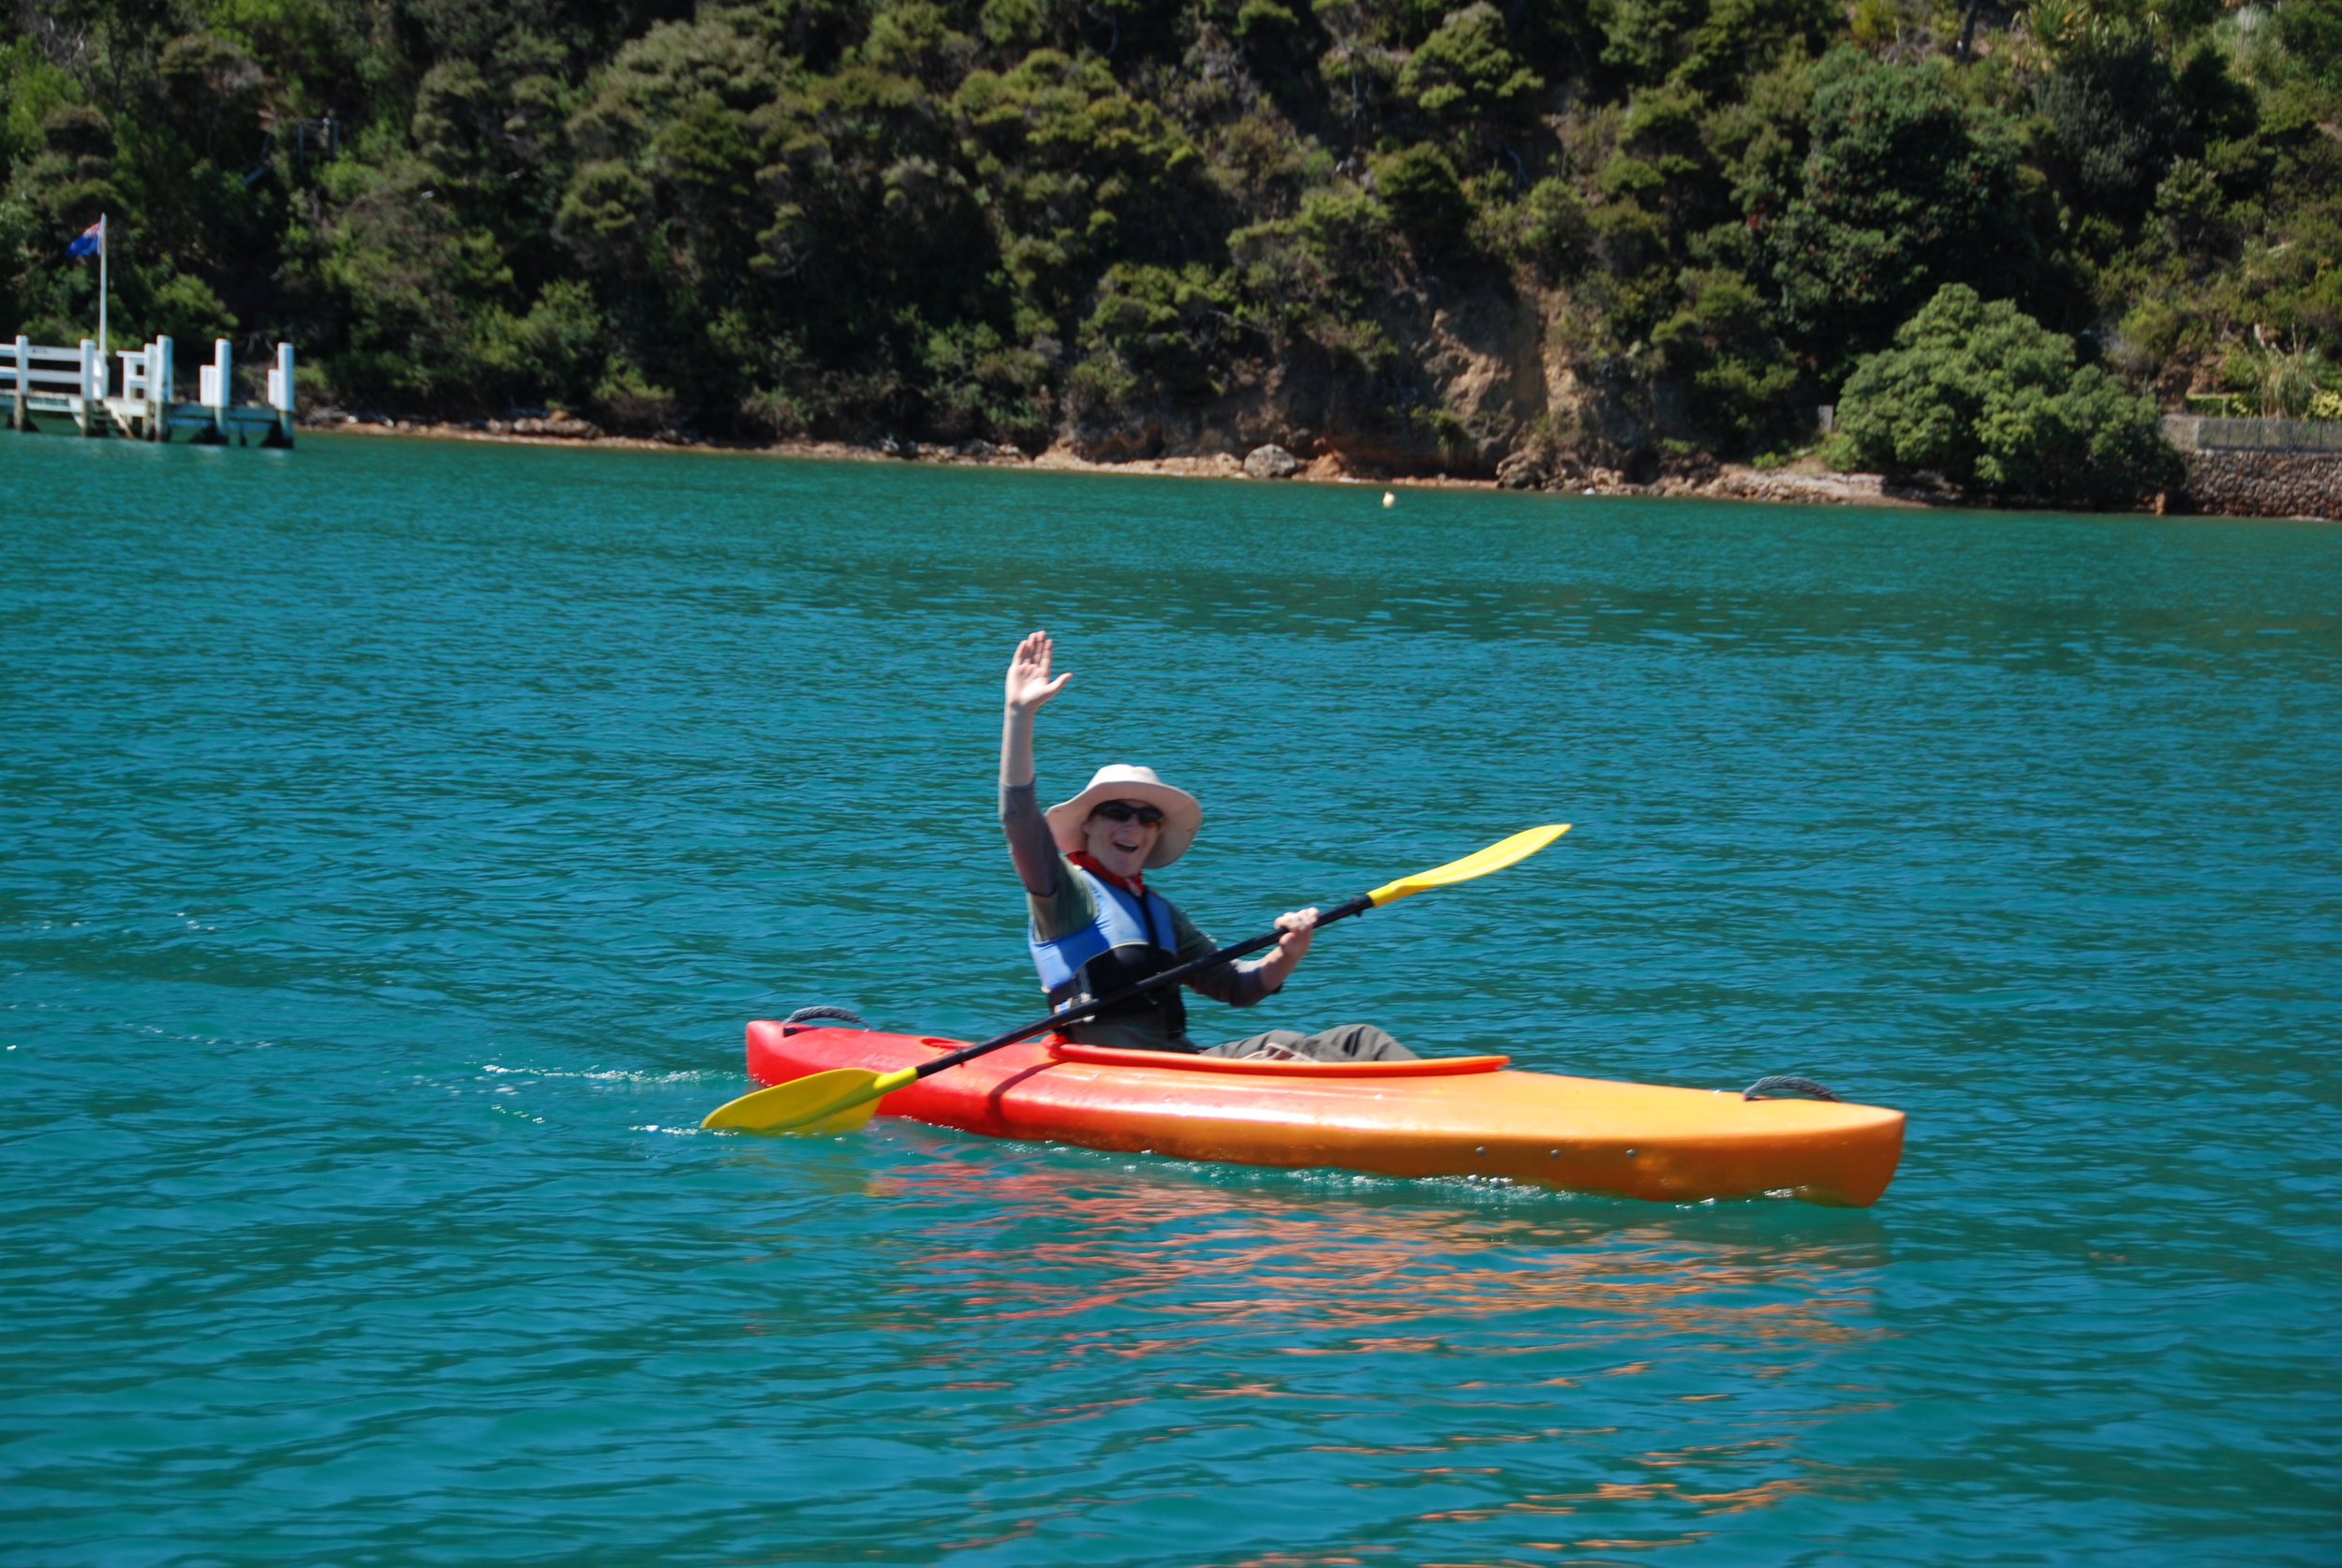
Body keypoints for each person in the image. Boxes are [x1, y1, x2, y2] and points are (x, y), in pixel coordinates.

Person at [997, 629, 1414, 1061]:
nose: (1133, 826)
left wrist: (1287, 954)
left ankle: (1466, 1098)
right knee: (1292, 1050)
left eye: (1148, 817)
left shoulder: (1161, 914)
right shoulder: (1063, 894)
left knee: (1359, 1039)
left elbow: (1238, 986)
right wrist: (1019, 715)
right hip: (1122, 1071)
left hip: (1180, 1060)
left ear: (1157, 832)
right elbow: (1019, 820)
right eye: (1118, 813)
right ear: (1088, 825)